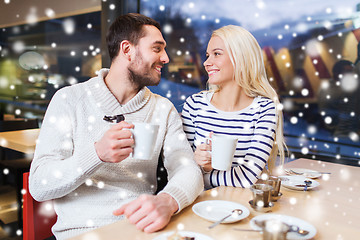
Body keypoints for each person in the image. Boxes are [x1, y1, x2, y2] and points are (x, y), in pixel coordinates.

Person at [29, 13, 203, 239]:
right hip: (81, 233)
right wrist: (96, 154)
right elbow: (40, 186)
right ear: (127, 50)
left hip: (141, 231)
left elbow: (188, 169)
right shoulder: (69, 99)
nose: (166, 58)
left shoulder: (163, 109)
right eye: (157, 48)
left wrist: (167, 201)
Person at [181, 25, 286, 190]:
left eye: (217, 54)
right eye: (208, 55)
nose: (207, 63)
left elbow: (247, 178)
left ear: (241, 58)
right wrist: (199, 163)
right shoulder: (195, 104)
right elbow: (179, 170)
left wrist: (203, 174)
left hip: (239, 207)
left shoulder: (264, 109)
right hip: (197, 207)